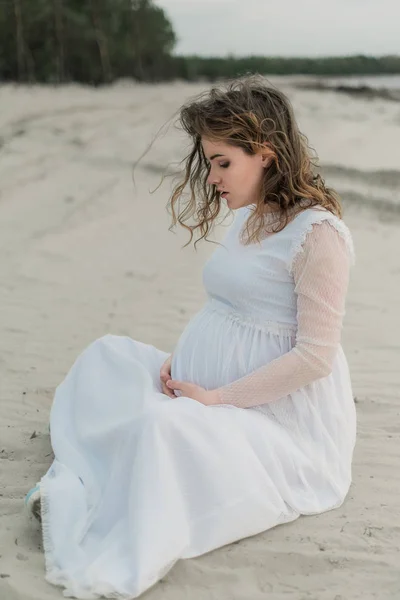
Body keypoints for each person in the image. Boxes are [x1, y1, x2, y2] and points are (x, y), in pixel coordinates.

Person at [26, 75, 356, 599]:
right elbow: (225, 309)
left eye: (223, 162)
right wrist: (183, 358)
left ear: (266, 155)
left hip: (272, 419)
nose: (213, 177)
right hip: (202, 392)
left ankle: (99, 482)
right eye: (210, 163)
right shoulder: (249, 219)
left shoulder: (318, 235)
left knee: (159, 428)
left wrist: (218, 400)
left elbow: (315, 358)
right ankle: (98, 470)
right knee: (106, 356)